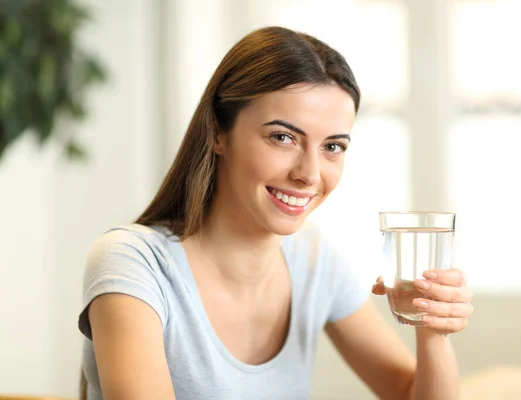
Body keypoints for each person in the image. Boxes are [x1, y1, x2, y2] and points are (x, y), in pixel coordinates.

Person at [78, 26, 473, 400]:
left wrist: (431, 327)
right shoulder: (134, 262)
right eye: (282, 137)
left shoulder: (313, 259)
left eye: (332, 147)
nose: (309, 174)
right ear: (218, 131)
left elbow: (409, 393)